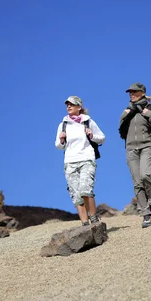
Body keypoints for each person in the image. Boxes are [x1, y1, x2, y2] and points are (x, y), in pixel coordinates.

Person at [119, 83, 151, 228]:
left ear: (142, 93)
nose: (131, 94)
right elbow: (121, 130)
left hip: (147, 146)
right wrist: (127, 115)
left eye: (134, 92)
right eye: (130, 92)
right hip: (131, 149)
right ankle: (146, 214)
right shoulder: (127, 110)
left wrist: (150, 116)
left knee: (146, 175)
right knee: (137, 182)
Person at [55, 96, 106, 225]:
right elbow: (58, 146)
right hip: (70, 162)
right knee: (76, 195)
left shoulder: (88, 122)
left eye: (72, 104)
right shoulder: (63, 124)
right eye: (67, 105)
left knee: (85, 190)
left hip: (86, 159)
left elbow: (102, 138)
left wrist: (91, 135)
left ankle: (94, 218)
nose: (69, 107)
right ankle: (85, 223)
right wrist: (61, 140)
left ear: (79, 107)